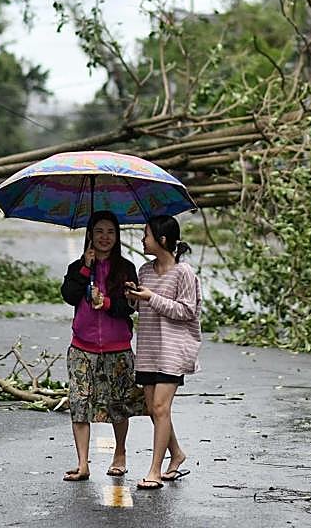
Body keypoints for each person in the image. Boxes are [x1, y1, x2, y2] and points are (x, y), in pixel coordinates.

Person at [59, 210, 146, 481]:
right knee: (79, 402)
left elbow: (129, 308)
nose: (105, 237)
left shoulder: (126, 268)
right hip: (82, 347)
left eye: (110, 232)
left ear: (117, 236)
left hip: (117, 347)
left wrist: (106, 303)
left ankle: (120, 453)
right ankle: (83, 463)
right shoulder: (78, 267)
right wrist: (86, 268)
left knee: (119, 404)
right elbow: (69, 295)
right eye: (99, 231)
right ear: (90, 235)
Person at [127, 214, 202, 491]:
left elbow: (186, 311)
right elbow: (142, 309)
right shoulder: (144, 271)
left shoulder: (184, 273)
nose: (142, 240)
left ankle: (155, 470)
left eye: (145, 235)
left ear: (161, 239)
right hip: (148, 348)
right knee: (152, 409)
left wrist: (151, 298)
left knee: (160, 408)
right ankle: (177, 453)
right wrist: (134, 298)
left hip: (173, 349)